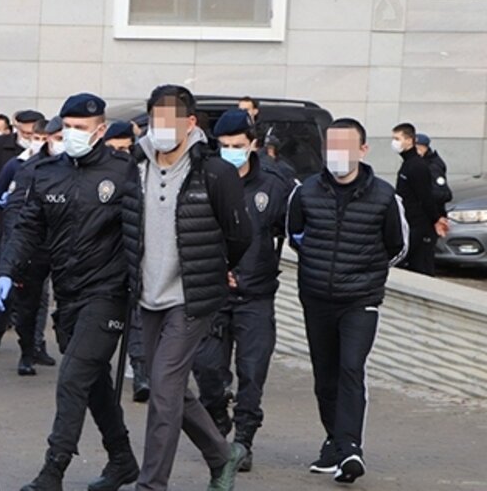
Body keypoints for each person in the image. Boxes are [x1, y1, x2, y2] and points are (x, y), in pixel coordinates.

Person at [0, 93, 139, 491]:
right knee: (93, 380)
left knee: (73, 377)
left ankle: (52, 471)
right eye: (68, 127)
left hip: (108, 293)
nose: (72, 134)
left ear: (100, 130)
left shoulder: (124, 172)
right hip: (68, 293)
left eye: (81, 128)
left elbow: (143, 231)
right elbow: (27, 228)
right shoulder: (47, 173)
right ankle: (123, 459)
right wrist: (5, 270)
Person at [123, 85, 253, 491]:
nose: (161, 129)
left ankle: (151, 485)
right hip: (148, 295)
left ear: (190, 122)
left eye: (170, 121)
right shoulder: (135, 166)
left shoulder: (214, 172)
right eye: (155, 120)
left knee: (162, 389)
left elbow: (240, 233)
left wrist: (216, 268)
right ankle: (222, 454)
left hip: (192, 297)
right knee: (172, 388)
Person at [287, 118, 408, 484]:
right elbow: (296, 235)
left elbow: (397, 246)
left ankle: (351, 449)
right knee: (325, 374)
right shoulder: (305, 191)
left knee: (351, 367)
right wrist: (319, 266)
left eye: (345, 147)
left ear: (363, 150)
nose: (337, 154)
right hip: (317, 298)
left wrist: (365, 273)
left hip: (360, 299)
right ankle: (335, 443)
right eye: (331, 147)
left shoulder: (384, 196)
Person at [191, 109, 293, 473]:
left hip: (256, 295)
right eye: (224, 145)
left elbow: (292, 230)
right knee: (206, 369)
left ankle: (244, 440)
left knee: (252, 372)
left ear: (253, 145)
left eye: (237, 145)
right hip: (212, 295)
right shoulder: (202, 180)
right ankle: (217, 421)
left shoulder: (274, 186)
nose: (231, 151)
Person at [0, 115, 59, 375]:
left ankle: (36, 348)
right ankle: (22, 345)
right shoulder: (29, 168)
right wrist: (12, 250)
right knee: (24, 302)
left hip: (62, 247)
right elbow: (14, 209)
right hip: (32, 246)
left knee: (43, 301)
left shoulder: (78, 170)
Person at [391, 122, 444, 276]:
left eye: (397, 138)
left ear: (409, 140)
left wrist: (435, 219)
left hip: (418, 225)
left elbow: (425, 196)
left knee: (420, 266)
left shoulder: (417, 166)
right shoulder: (408, 164)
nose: (394, 143)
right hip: (408, 221)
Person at [415, 132, 452, 234]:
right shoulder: (420, 162)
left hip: (431, 217)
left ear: (423, 148)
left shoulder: (432, 166)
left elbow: (443, 194)